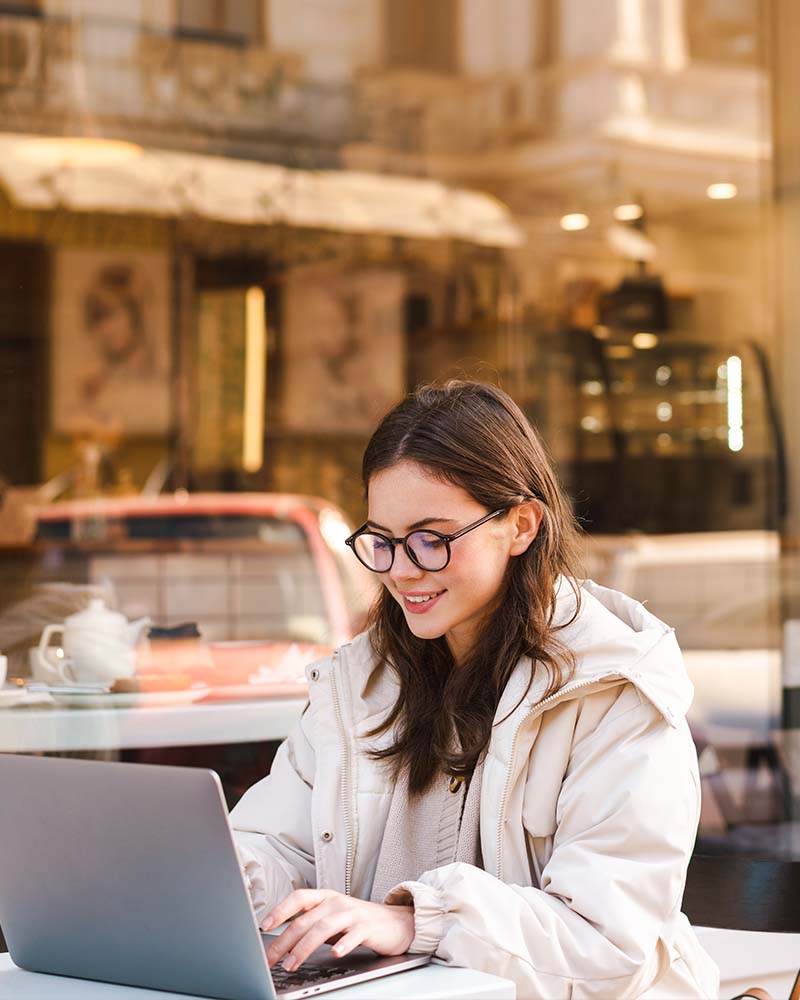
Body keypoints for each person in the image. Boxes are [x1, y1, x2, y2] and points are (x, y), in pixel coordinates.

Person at [231, 380, 720, 998]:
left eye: (431, 540)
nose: (402, 570)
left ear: (520, 525)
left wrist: (418, 921)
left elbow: (607, 943)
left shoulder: (616, 689)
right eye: (381, 541)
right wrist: (220, 876)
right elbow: (279, 848)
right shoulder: (359, 683)